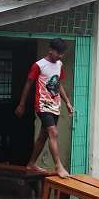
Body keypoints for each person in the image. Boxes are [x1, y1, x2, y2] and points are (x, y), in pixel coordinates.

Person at [15, 38, 76, 178]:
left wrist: (67, 102)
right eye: (58, 53)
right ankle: (59, 166)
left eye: (62, 54)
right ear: (51, 50)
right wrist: (22, 104)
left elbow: (58, 84)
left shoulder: (59, 64)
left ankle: (31, 164)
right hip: (42, 105)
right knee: (53, 133)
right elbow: (28, 84)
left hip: (55, 105)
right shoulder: (39, 65)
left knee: (43, 136)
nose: (60, 56)